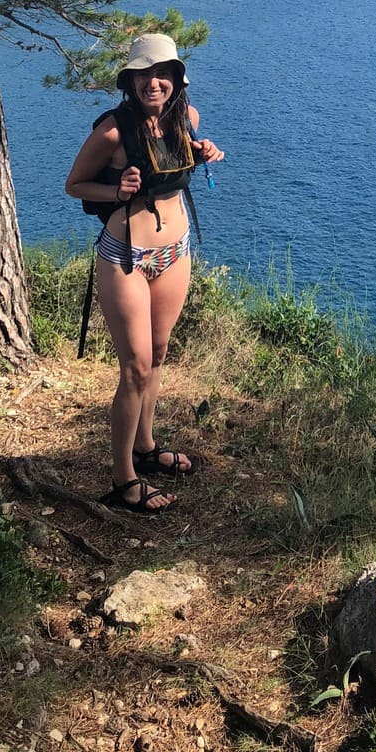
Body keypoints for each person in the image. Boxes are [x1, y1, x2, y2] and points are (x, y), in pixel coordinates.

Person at [65, 34, 224, 512]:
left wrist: (203, 152)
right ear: (130, 80)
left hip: (176, 251)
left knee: (156, 355)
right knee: (134, 368)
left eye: (163, 74)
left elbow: (178, 165)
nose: (153, 83)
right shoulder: (113, 131)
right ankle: (122, 478)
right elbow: (74, 185)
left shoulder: (187, 120)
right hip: (126, 256)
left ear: (176, 79)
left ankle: (146, 447)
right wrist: (118, 189)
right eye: (143, 74)